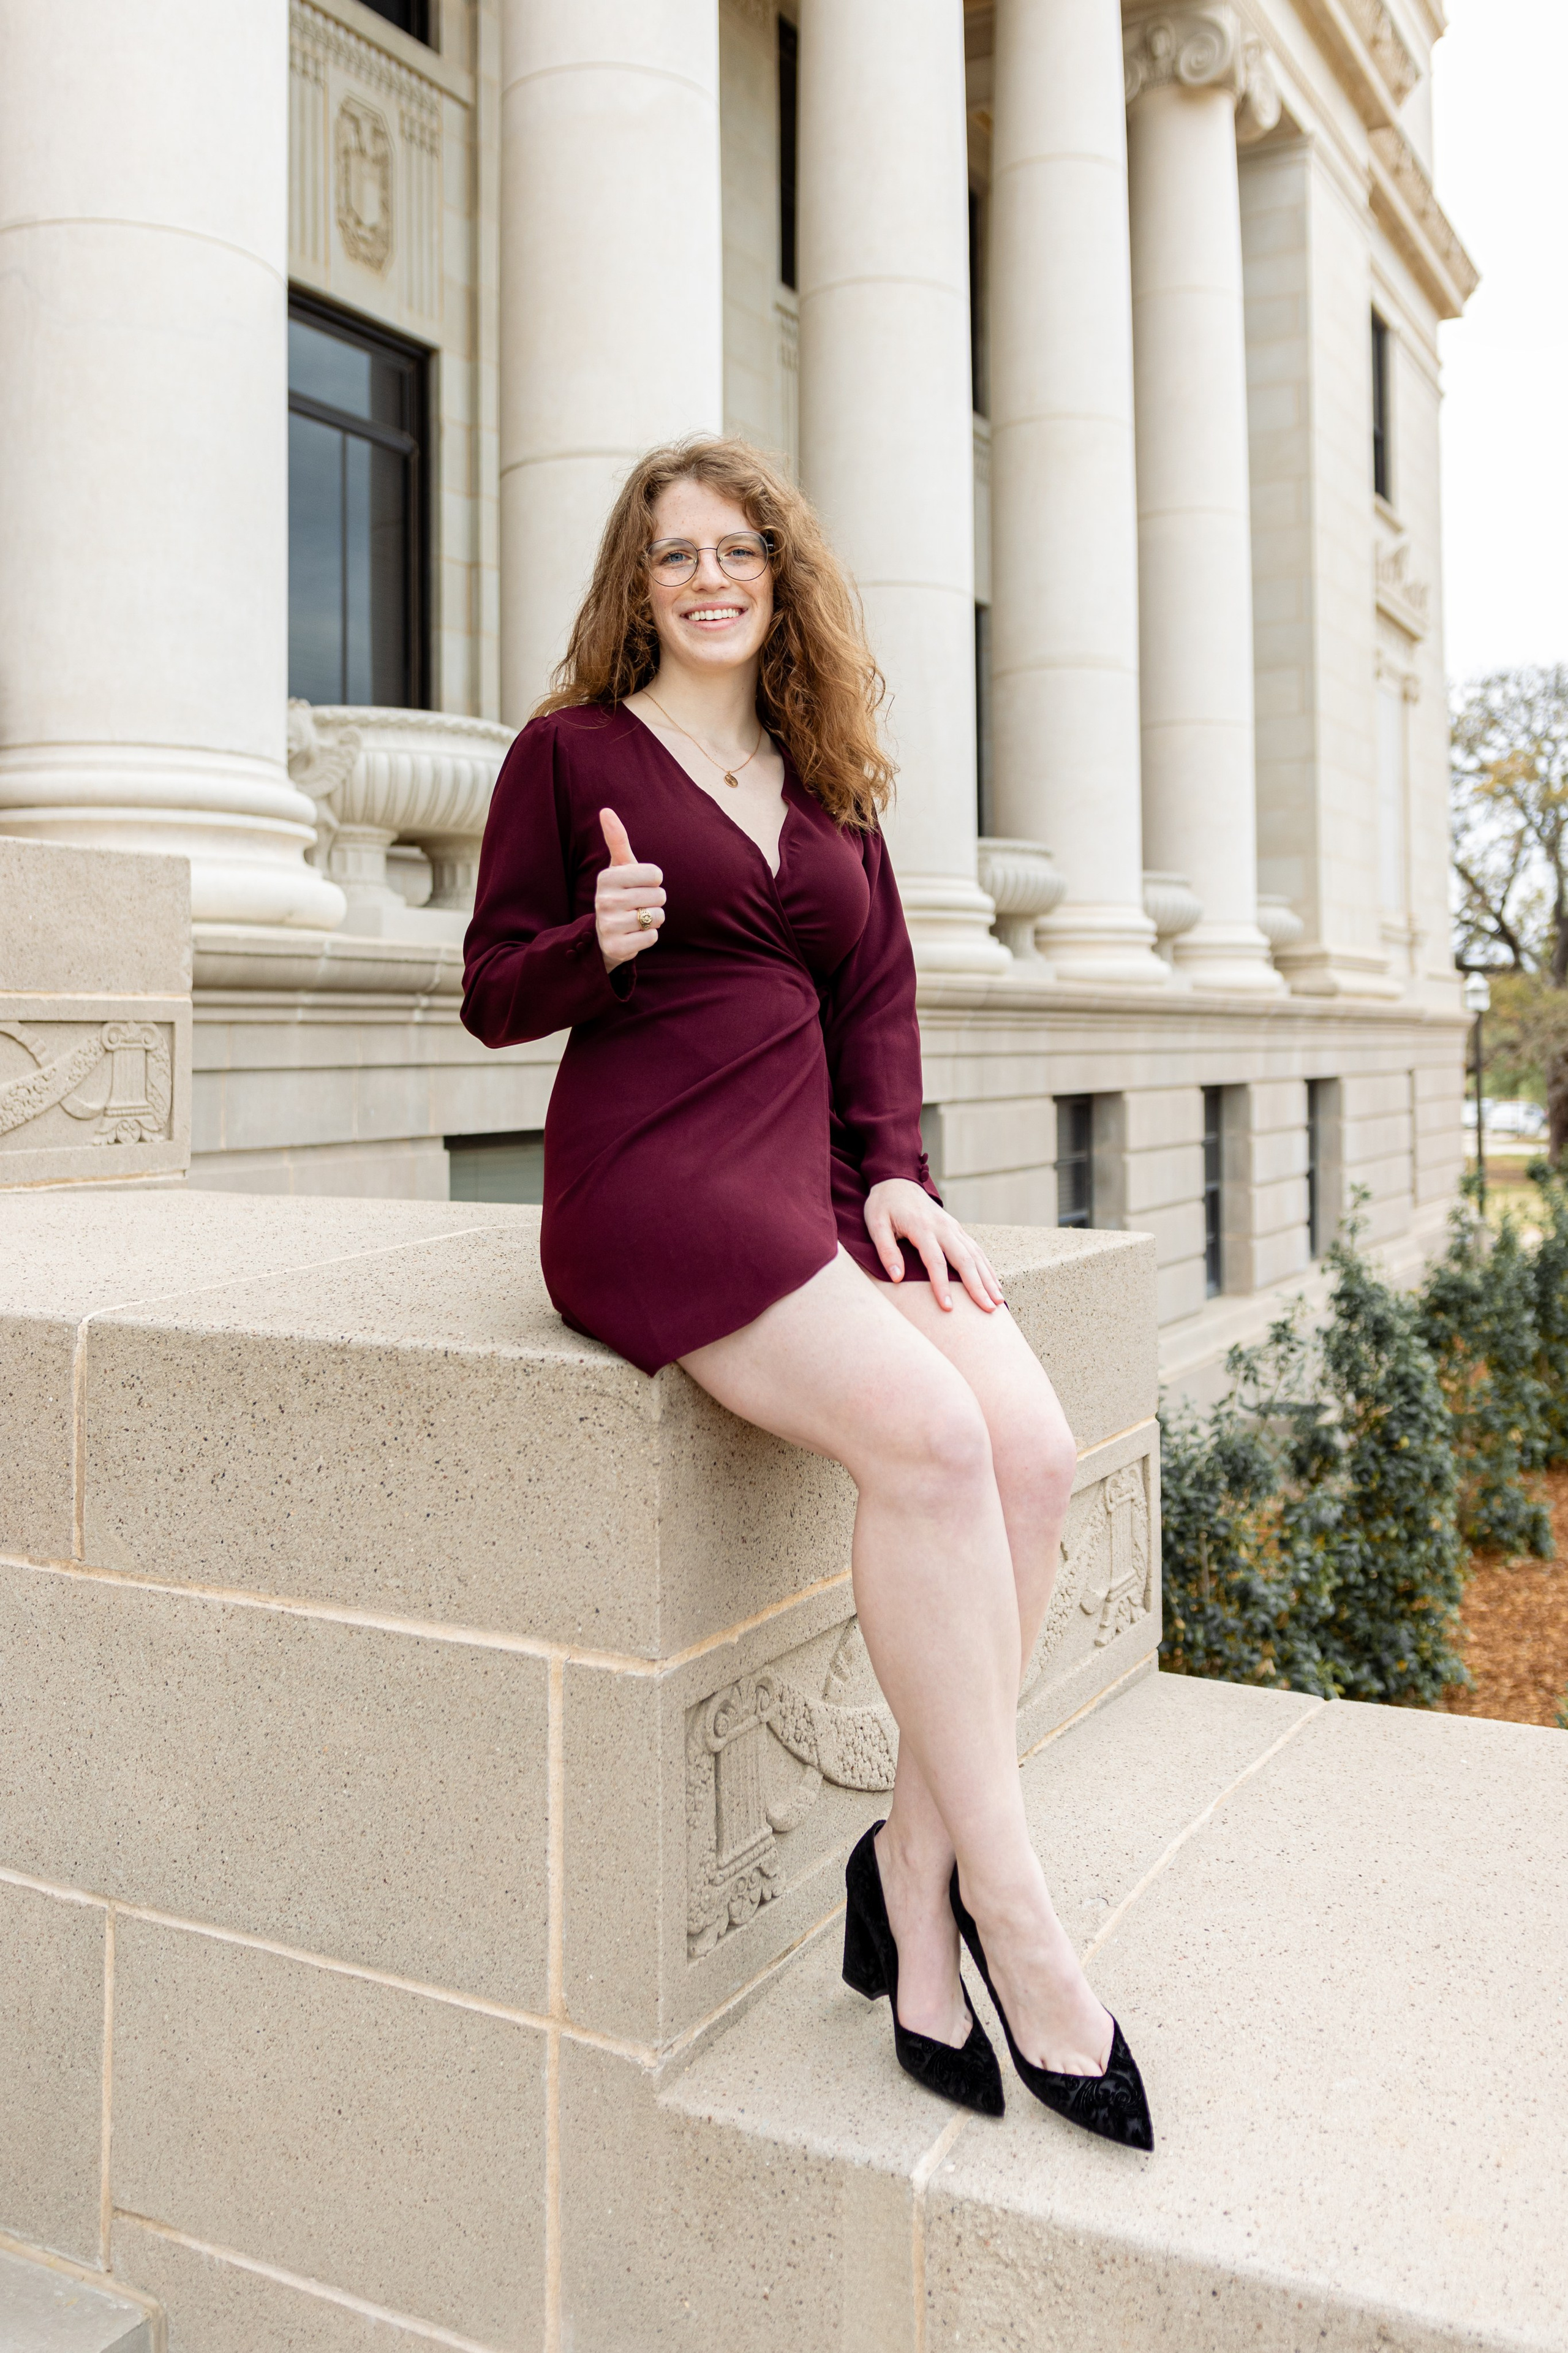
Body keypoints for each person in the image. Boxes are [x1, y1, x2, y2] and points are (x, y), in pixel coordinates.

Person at [462, 437, 1152, 2147]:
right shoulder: (569, 756)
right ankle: (1017, 1916)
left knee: (1036, 1454)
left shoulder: (829, 772)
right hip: (660, 1175)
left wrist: (897, 1164)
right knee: (929, 1434)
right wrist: (594, 944)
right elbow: (488, 991)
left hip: (825, 1179)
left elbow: (880, 995)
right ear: (639, 583)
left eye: (738, 548)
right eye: (674, 552)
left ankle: (907, 1869)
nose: (708, 576)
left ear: (781, 574)